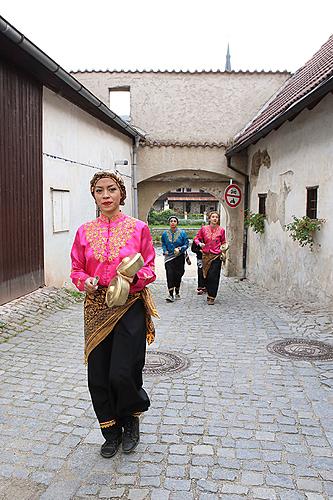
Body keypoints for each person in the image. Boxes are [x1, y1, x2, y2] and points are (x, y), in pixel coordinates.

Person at [70, 171, 159, 459]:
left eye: (111, 189)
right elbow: (76, 270)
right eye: (99, 191)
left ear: (121, 193)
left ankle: (130, 420)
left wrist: (133, 280)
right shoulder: (84, 231)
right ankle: (111, 431)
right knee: (98, 374)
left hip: (129, 306)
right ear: (93, 195)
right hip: (96, 307)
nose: (105, 195)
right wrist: (86, 281)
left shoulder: (139, 228)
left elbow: (149, 268)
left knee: (123, 371)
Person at [194, 211, 226, 305]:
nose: (215, 218)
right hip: (206, 255)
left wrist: (224, 249)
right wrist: (200, 244)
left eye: (216, 217)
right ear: (209, 219)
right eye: (213, 217)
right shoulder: (203, 229)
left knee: (214, 276)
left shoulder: (221, 230)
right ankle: (208, 289)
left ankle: (212, 296)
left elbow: (224, 242)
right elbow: (196, 238)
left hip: (216, 255)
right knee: (206, 276)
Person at [161, 216, 189, 302]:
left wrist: (180, 249)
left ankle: (177, 292)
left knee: (178, 274)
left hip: (179, 257)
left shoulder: (182, 233)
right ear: (169, 223)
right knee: (170, 274)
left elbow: (186, 244)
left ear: (177, 223)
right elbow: (163, 243)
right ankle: (170, 294)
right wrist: (165, 250)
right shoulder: (165, 234)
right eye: (171, 221)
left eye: (174, 221)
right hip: (169, 257)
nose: (173, 223)